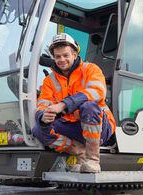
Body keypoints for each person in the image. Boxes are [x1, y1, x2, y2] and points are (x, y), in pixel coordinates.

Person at [32, 33, 116, 173]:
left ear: (75, 54)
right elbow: (42, 104)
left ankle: (93, 161)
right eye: (58, 56)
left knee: (88, 107)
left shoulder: (90, 69)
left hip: (100, 125)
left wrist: (63, 105)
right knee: (39, 130)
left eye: (66, 55)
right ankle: (80, 153)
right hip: (73, 127)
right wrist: (42, 116)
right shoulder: (50, 81)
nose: (61, 59)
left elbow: (98, 92)